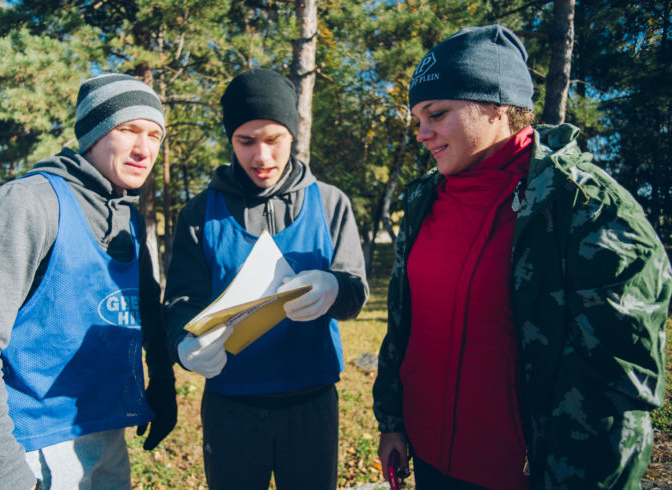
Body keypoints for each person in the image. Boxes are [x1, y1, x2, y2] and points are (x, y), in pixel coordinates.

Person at [373, 24, 671, 490]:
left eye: (437, 113)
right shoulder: (422, 202)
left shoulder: (586, 208)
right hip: (431, 462)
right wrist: (392, 420)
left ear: (496, 106)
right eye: (417, 119)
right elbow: (404, 324)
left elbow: (618, 388)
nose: (422, 133)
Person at [0, 73, 177, 489]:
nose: (144, 149)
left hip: (105, 436)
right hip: (31, 448)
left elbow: (146, 306)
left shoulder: (127, 215)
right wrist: (6, 477)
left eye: (155, 135)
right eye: (127, 129)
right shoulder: (27, 205)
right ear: (94, 132)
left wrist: (163, 383)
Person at [163, 68, 368, 490]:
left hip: (311, 404)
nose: (262, 157)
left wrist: (334, 288)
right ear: (230, 140)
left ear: (294, 134)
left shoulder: (330, 204)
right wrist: (181, 344)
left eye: (274, 139)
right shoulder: (199, 214)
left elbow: (355, 290)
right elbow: (181, 299)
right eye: (246, 141)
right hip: (231, 405)